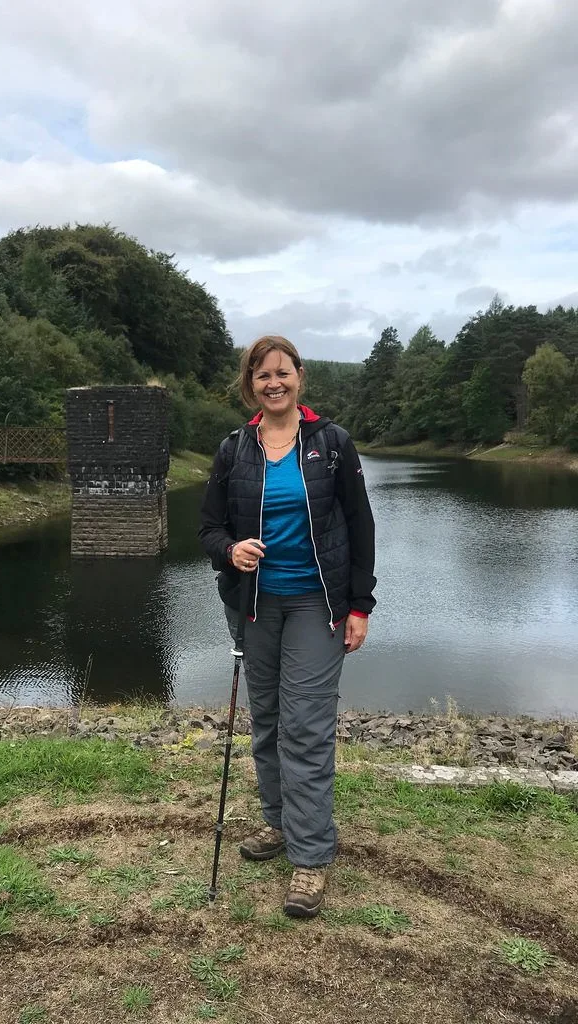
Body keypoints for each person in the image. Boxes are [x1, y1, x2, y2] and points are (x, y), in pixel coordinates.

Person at [198, 335, 376, 919]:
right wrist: (231, 551)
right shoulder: (233, 449)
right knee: (269, 721)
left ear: (300, 376)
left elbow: (360, 525)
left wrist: (360, 606)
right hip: (254, 606)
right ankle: (279, 824)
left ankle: (310, 857)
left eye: (282, 372)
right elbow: (209, 529)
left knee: (305, 726)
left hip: (317, 605)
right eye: (261, 375)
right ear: (250, 385)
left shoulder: (332, 444)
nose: (273, 383)